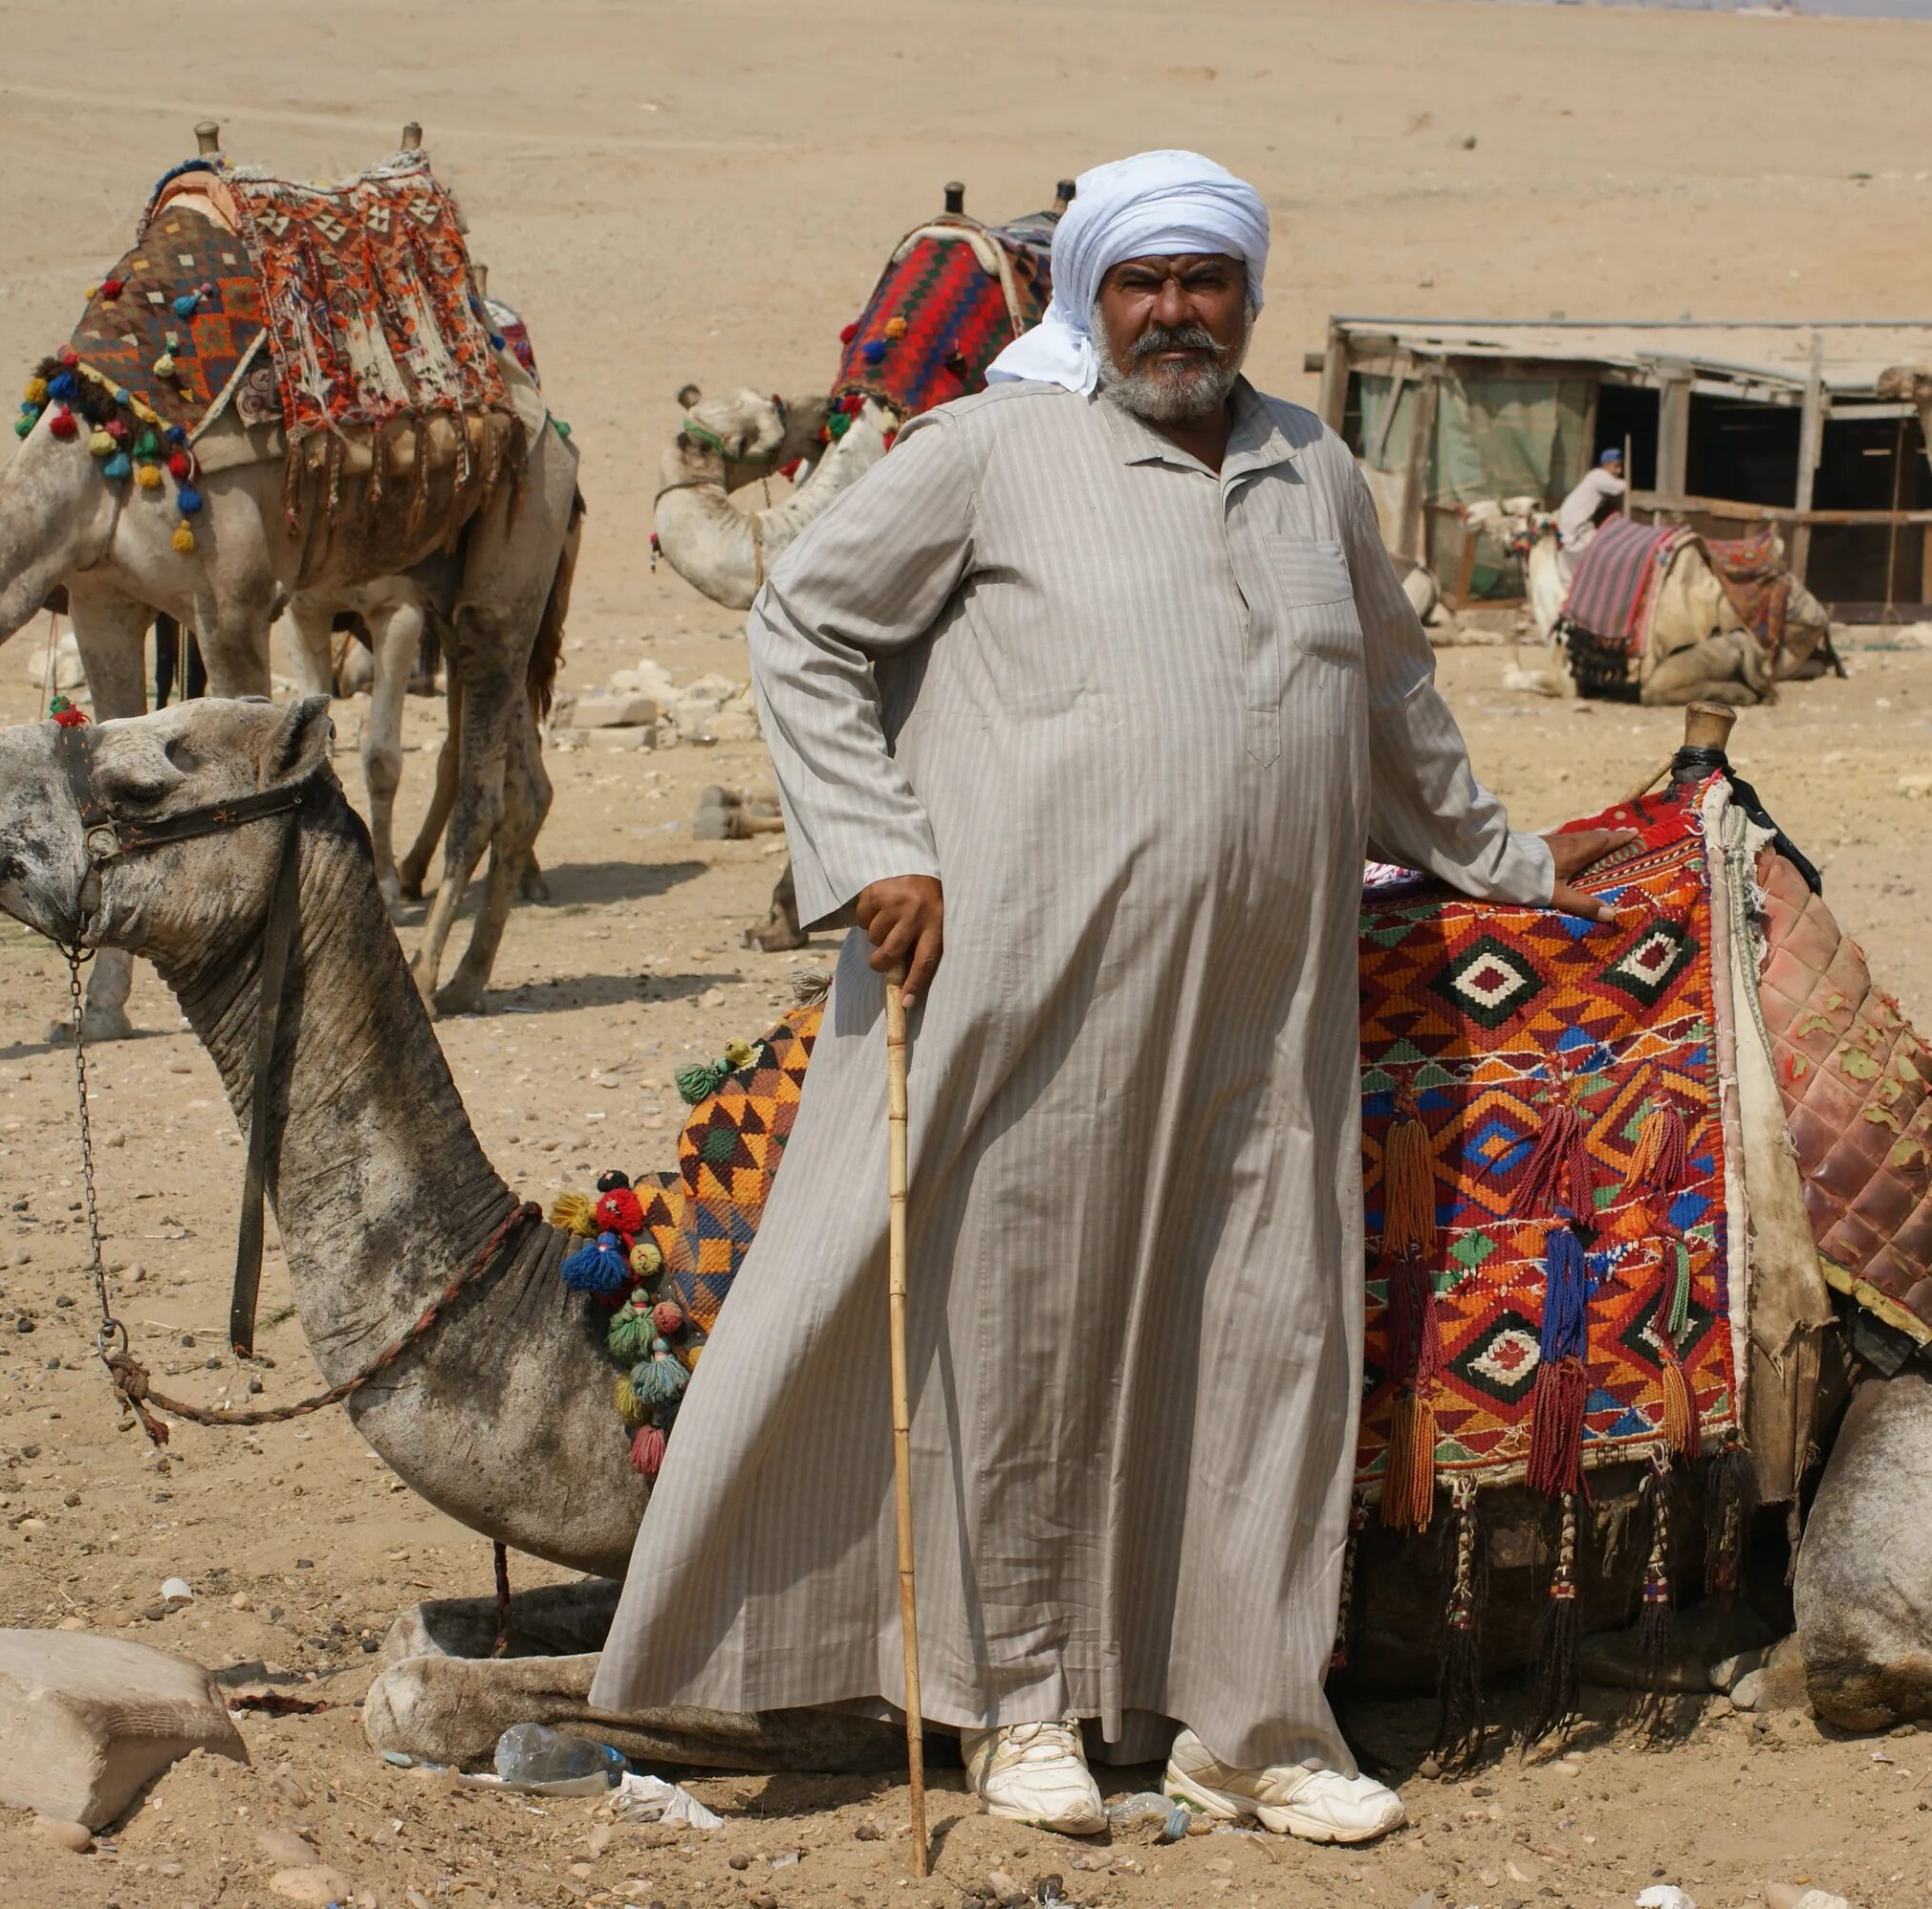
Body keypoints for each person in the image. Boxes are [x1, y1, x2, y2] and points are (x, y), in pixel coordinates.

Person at [591, 149, 1627, 1847]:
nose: (1173, 311)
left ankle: (1253, 1721)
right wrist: (872, 849)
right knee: (1026, 1333)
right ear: (1088, 294)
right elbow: (803, 627)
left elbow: (1391, 702)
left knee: (1268, 1343)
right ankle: (1017, 1711)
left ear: (1248, 297)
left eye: (1203, 280)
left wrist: (1509, 861)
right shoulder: (994, 452)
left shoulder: (1313, 470)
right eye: (1139, 281)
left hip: (1264, 1013)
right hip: (1036, 988)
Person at [1554, 445, 1627, 555]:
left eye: (1620, 467)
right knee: (1596, 548)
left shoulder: (1600, 476)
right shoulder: (1598, 475)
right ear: (1605, 465)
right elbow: (1617, 488)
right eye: (1615, 466)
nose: (1619, 471)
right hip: (1575, 522)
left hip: (1580, 522)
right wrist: (1628, 484)